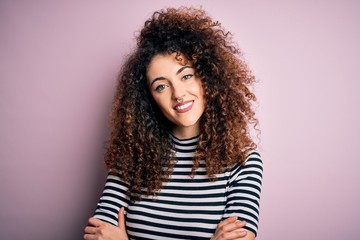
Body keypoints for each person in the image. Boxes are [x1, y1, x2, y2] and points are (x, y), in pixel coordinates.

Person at [84, 6, 263, 240]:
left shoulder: (243, 161)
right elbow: (99, 235)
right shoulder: (131, 156)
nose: (178, 94)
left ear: (207, 76)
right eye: (161, 86)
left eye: (186, 76)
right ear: (148, 99)